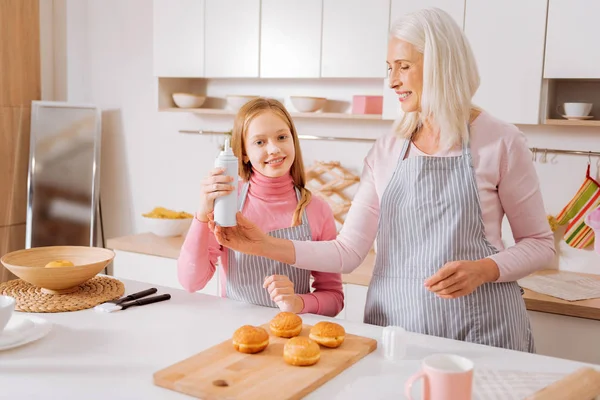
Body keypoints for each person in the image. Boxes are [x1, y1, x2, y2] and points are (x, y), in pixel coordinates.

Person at [207, 8, 556, 352]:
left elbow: (540, 244)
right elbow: (347, 252)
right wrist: (262, 245)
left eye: (404, 66)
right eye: (390, 68)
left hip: (483, 330)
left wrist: (485, 269)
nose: (392, 81)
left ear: (441, 63)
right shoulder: (387, 150)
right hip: (398, 332)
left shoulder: (500, 141)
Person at [177, 98, 344, 317]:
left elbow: (334, 298)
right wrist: (202, 213)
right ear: (244, 153)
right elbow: (191, 282)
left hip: (292, 336)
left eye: (282, 137)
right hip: (235, 331)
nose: (274, 149)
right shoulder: (228, 202)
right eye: (259, 142)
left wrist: (298, 302)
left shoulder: (317, 210)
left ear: (293, 140)